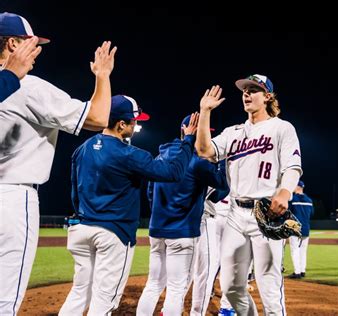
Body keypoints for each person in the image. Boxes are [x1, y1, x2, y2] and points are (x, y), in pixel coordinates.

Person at [0, 11, 116, 315]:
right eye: (31, 43)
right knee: (4, 302)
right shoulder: (29, 87)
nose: (37, 51)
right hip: (12, 198)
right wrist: (102, 76)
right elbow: (98, 118)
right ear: (12, 44)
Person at [59, 96, 198, 315]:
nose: (135, 125)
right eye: (133, 121)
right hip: (112, 234)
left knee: (79, 293)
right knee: (104, 300)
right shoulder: (129, 154)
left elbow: (75, 191)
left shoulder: (82, 149)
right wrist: (188, 140)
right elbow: (173, 172)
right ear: (121, 124)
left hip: (81, 229)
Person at [195, 74, 303, 315]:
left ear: (267, 97)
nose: (246, 93)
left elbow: (292, 166)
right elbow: (203, 150)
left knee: (270, 288)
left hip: (265, 214)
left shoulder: (282, 128)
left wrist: (285, 191)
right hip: (235, 214)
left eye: (253, 89)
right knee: (231, 288)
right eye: (245, 90)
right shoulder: (232, 132)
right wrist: (205, 112)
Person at [136, 115, 229, 316]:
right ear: (188, 130)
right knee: (176, 289)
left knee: (153, 285)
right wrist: (222, 161)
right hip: (182, 231)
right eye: (201, 131)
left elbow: (150, 193)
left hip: (157, 229)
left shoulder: (161, 156)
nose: (204, 137)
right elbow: (222, 187)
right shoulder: (198, 161)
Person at [189, 161, 231, 316]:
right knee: (225, 264)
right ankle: (226, 308)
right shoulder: (230, 174)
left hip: (204, 218)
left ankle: (168, 309)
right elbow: (217, 193)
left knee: (193, 268)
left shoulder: (199, 167)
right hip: (222, 220)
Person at [0, 36, 42, 101]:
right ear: (13, 44)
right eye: (30, 42)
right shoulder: (32, 85)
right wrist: (10, 75)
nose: (34, 48)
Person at [287, 180, 314, 279]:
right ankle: (302, 271)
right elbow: (312, 214)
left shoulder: (293, 199)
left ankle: (297, 272)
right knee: (303, 250)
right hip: (306, 228)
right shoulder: (309, 200)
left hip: (295, 228)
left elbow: (288, 212)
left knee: (295, 250)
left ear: (298, 187)